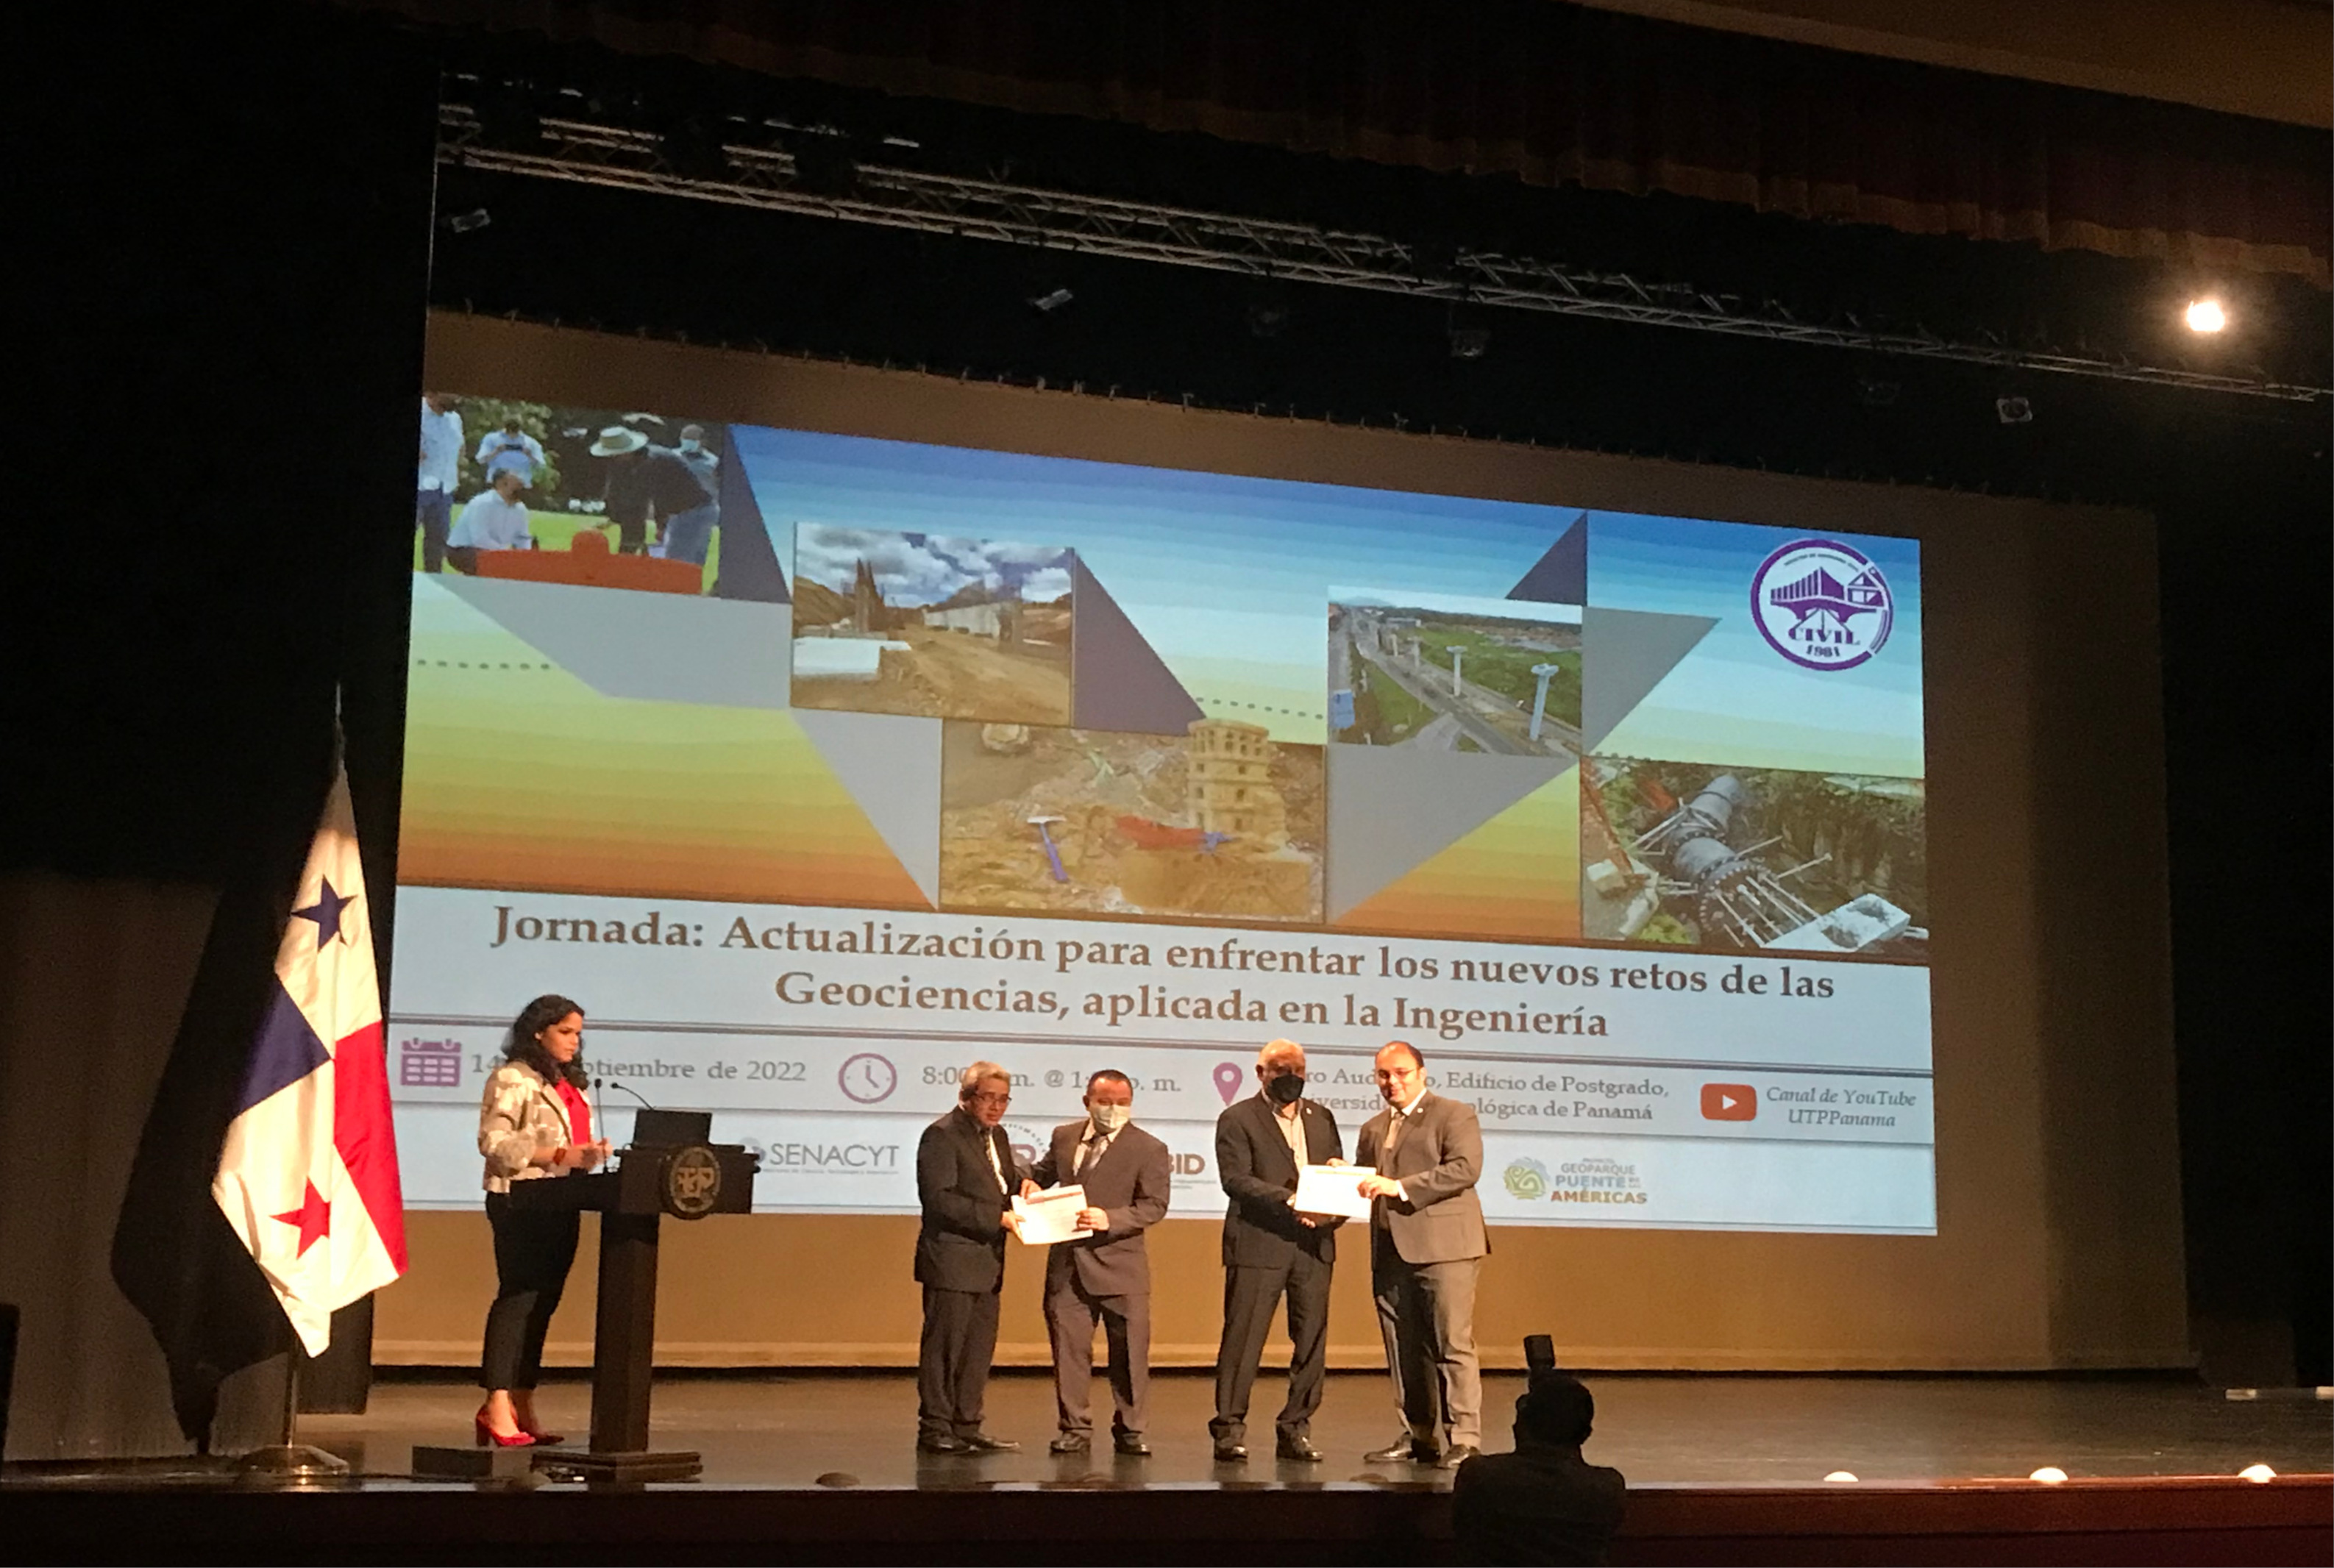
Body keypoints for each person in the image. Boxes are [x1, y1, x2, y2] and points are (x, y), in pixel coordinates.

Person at [474, 994, 610, 1447]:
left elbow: (571, 1145)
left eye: (578, 1035)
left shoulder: (573, 1084)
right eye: (565, 1032)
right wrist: (558, 1154)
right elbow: (494, 1143)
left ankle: (522, 1401)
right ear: (538, 1031)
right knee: (519, 1298)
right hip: (521, 1199)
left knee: (544, 1304)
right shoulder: (513, 1078)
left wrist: (589, 1155)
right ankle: (496, 1403)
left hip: (561, 1198)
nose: (574, 1042)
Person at [1356, 1038, 1490, 1468]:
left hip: (1445, 1248)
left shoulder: (1453, 1114)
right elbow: (1369, 1183)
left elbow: (1465, 1168)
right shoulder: (1373, 1127)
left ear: (1421, 1074)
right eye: (1383, 1075)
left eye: (1401, 1073)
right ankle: (1419, 1435)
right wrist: (1344, 1178)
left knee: (1451, 1343)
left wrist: (1399, 1187)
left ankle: (1464, 1438)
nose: (1391, 1082)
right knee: (1403, 1348)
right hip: (1390, 1250)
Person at [1209, 1038, 1344, 1464]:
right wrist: (1290, 1201)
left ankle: (1296, 1428)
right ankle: (1229, 1430)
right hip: (1258, 1243)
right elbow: (1235, 1179)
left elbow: (1335, 1169)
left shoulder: (1321, 1117)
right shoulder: (1237, 1118)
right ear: (1261, 1073)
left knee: (1311, 1342)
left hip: (1313, 1245)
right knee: (1243, 1341)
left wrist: (1330, 1210)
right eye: (1281, 1070)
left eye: (1298, 1070)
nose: (1292, 1078)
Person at [1028, 1070, 1172, 1457]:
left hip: (1122, 1267)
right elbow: (1043, 1172)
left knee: (1129, 1354)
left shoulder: (1149, 1148)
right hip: (1068, 1266)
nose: (1113, 1110)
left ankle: (1131, 1429)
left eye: (1122, 1103)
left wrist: (1111, 1219)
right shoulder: (1064, 1137)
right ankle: (1074, 1427)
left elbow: (1154, 1205)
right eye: (1105, 1102)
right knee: (1069, 1353)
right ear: (1087, 1102)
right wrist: (1029, 1181)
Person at [914, 1061, 1028, 1454]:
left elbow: (1000, 1184)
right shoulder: (942, 1135)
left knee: (977, 1351)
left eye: (1004, 1099)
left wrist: (1025, 1186)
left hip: (987, 1262)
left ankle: (967, 1425)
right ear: (966, 1096)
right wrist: (997, 1218)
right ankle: (935, 1428)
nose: (996, 1107)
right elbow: (940, 1199)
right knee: (945, 1349)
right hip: (951, 1261)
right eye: (988, 1098)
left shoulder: (998, 1136)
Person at [1451, 1372, 1628, 1566]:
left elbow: (1462, 1528)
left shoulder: (1480, 1476)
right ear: (1586, 1434)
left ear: (1520, 1426)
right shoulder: (1607, 1489)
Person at [588, 424, 713, 558]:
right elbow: (616, 491)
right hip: (675, 511)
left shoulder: (654, 461)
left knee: (679, 561)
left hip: (695, 510)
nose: (612, 457)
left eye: (614, 453)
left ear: (627, 451)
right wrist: (614, 518)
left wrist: (661, 526)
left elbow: (655, 497)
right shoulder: (622, 463)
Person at [445, 468, 534, 574]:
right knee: (493, 564)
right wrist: (505, 553)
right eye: (516, 481)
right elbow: (480, 539)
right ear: (500, 484)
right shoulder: (482, 503)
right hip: (463, 550)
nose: (521, 484)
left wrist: (525, 556)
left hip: (497, 552)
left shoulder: (520, 509)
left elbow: (522, 537)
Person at [658, 424, 722, 568]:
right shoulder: (672, 457)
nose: (688, 442)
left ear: (702, 441)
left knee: (700, 549)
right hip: (679, 509)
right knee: (674, 548)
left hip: (705, 510)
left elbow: (718, 486)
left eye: (692, 439)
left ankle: (695, 578)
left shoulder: (713, 462)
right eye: (685, 438)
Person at [416, 392, 463, 574]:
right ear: (433, 393)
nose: (457, 398)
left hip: (445, 489)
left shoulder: (455, 419)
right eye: (452, 394)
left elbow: (460, 447)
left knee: (438, 542)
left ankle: (433, 580)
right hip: (420, 486)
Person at [474, 416, 547, 488]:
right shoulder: (491, 439)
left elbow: (540, 466)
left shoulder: (530, 443)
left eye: (515, 428)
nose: (512, 431)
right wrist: (496, 451)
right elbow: (481, 460)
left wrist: (529, 455)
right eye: (510, 428)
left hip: (521, 483)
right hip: (497, 483)